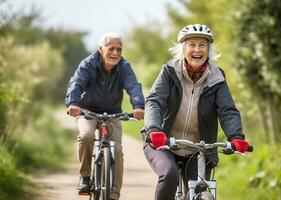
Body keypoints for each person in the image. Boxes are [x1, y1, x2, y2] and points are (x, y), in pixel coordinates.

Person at [141, 24, 250, 200]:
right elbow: (155, 101)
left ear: (209, 49)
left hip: (199, 149)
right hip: (163, 143)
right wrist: (154, 130)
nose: (197, 49)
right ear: (183, 48)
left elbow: (227, 111)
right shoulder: (169, 72)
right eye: (192, 44)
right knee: (169, 175)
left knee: (200, 190)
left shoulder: (217, 78)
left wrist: (236, 137)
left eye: (202, 45)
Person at [65, 32, 145, 200]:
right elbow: (77, 83)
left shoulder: (124, 66)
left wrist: (138, 106)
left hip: (113, 113)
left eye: (119, 49)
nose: (115, 53)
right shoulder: (88, 64)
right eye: (111, 48)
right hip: (87, 111)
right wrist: (73, 104)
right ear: (101, 49)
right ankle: (85, 177)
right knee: (86, 136)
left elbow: (133, 86)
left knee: (117, 151)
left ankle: (114, 194)